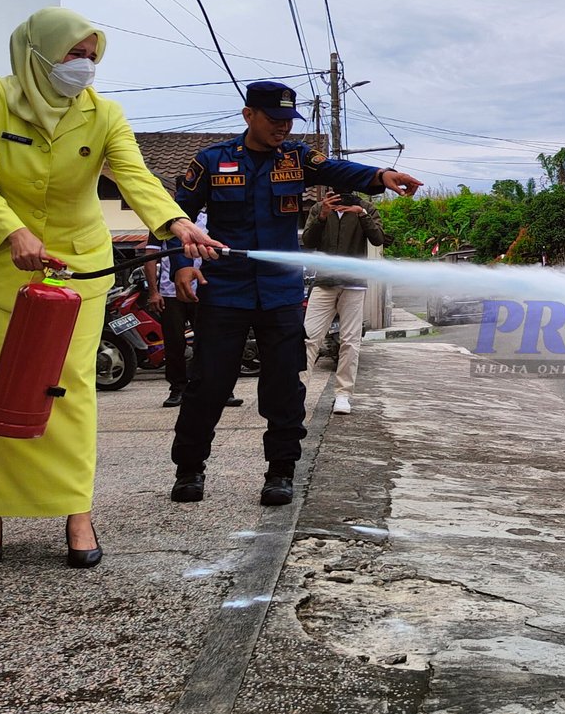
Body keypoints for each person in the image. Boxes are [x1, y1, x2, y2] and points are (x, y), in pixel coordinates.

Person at [0, 8, 221, 569]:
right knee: (8, 387)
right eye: (74, 54)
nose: (85, 66)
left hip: (79, 270)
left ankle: (77, 511)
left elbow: (135, 176)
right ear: (39, 51)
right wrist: (13, 231)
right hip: (2, 267)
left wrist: (176, 223)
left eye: (92, 57)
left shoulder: (105, 114)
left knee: (71, 389)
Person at [168, 80, 419, 507]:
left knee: (285, 386)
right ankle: (189, 470)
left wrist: (380, 176)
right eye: (274, 119)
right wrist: (182, 264)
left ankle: (280, 472)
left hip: (280, 294)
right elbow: (177, 215)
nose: (283, 127)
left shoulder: (297, 158)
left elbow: (338, 170)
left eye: (288, 120)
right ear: (249, 115)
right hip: (224, 290)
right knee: (208, 384)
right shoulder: (211, 161)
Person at [143, 208, 241, 409]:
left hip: (204, 289)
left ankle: (220, 389)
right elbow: (150, 257)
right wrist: (153, 292)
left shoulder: (211, 219)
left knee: (211, 341)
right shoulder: (165, 222)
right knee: (174, 343)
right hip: (171, 292)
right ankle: (177, 388)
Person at [301, 189, 387, 415]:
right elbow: (308, 241)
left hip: (354, 283)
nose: (342, 192)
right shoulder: (319, 207)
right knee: (308, 337)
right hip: (324, 281)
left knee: (350, 340)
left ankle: (343, 395)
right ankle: (298, 392)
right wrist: (322, 216)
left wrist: (361, 214)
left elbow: (378, 239)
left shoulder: (366, 208)